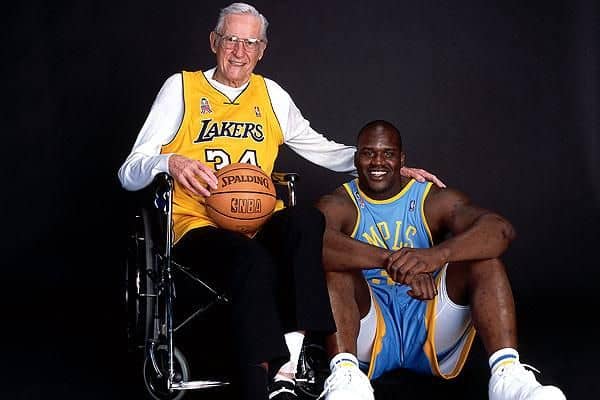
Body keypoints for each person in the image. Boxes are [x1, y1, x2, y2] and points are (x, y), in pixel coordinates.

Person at [117, 4, 442, 400]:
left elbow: (321, 149)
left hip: (258, 220)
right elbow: (129, 171)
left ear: (262, 49)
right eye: (231, 39)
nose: (239, 51)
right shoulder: (181, 88)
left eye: (250, 42)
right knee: (250, 259)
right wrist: (170, 160)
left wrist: (381, 167)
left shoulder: (271, 95)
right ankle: (258, 386)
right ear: (214, 42)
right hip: (198, 225)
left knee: (306, 221)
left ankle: (286, 372)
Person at [315, 120, 566, 400]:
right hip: (366, 332)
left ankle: (507, 376)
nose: (378, 161)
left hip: (432, 328)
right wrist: (397, 263)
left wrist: (435, 257)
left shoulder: (430, 199)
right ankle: (346, 378)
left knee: (484, 259)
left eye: (388, 153)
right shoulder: (339, 202)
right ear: (356, 157)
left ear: (402, 159)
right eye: (368, 152)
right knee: (335, 268)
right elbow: (312, 245)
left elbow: (500, 230)